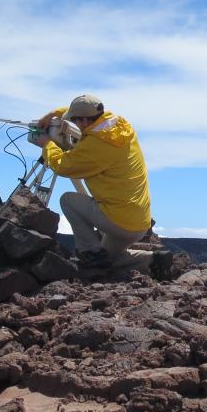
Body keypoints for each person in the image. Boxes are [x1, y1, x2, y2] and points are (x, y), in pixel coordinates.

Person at [30, 94, 170, 276]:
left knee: (68, 200)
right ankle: (154, 260)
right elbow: (80, 111)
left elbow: (63, 166)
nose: (74, 123)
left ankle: (91, 254)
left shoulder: (97, 145)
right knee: (109, 260)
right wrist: (52, 115)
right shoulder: (117, 123)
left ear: (84, 121)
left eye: (75, 120)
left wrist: (47, 145)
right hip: (139, 222)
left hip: (117, 220)